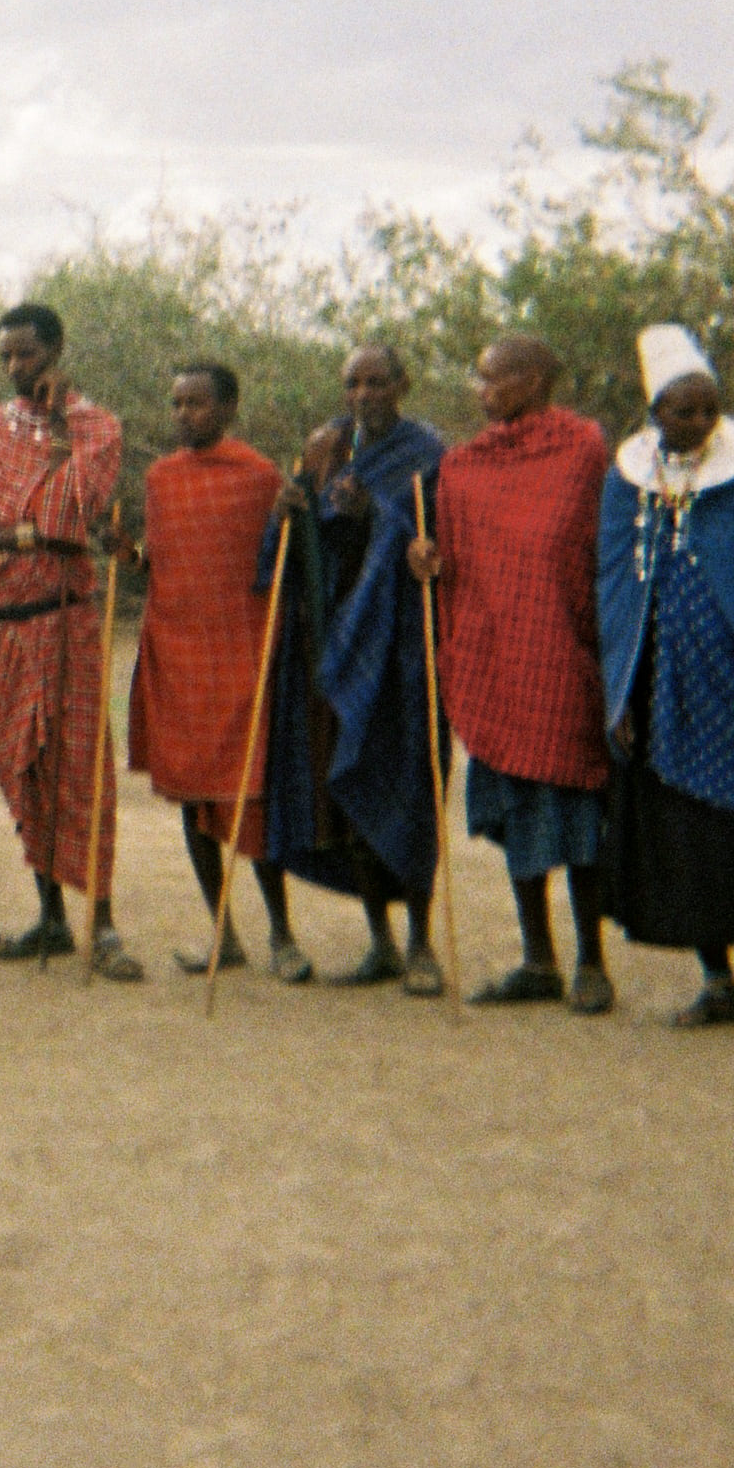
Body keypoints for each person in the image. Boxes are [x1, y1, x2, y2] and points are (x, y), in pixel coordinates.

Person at [597, 328, 734, 1029]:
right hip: (660, 683)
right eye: (681, 411)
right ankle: (714, 978)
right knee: (682, 834)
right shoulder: (626, 480)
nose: (696, 422)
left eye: (707, 409)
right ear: (654, 412)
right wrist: (619, 690)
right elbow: (614, 579)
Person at [409, 334, 615, 1012]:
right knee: (517, 810)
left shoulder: (583, 450)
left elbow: (593, 547)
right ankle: (537, 958)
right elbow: (456, 556)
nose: (481, 390)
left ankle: (591, 959)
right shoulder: (463, 467)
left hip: (561, 653)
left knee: (575, 808)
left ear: (531, 380)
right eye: (479, 377)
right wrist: (428, 560)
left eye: (492, 378)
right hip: (493, 652)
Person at [0, 308, 131, 973]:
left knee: (81, 766)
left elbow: (67, 513)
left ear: (54, 349)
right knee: (21, 767)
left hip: (65, 615)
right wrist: (21, 535)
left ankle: (99, 921)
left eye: (26, 355)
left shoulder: (98, 428)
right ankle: (49, 914)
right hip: (1, 620)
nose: (16, 368)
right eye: (6, 358)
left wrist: (54, 433)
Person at [260, 344, 446, 992]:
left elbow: (436, 538)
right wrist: (286, 511)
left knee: (407, 786)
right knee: (349, 788)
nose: (363, 394)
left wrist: (379, 518)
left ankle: (423, 942)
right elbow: (280, 553)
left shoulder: (426, 453)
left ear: (402, 383)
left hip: (396, 648)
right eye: (352, 383)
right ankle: (381, 943)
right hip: (330, 645)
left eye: (376, 381)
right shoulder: (325, 448)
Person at [129, 362, 297, 979]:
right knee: (192, 797)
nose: (184, 415)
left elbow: (275, 563)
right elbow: (164, 557)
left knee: (250, 795)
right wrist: (131, 553)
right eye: (177, 404)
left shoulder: (259, 478)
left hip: (240, 651)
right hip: (177, 650)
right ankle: (222, 934)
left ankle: (283, 934)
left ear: (229, 408)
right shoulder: (160, 479)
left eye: (197, 404)